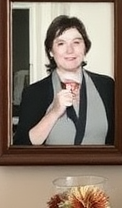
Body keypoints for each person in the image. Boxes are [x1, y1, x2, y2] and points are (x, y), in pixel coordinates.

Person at [14, 15, 115, 146]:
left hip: (101, 167)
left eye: (76, 42)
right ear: (51, 51)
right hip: (55, 167)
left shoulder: (107, 86)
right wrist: (54, 112)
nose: (70, 50)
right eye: (61, 43)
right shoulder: (34, 93)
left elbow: (116, 141)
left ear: (85, 47)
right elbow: (21, 146)